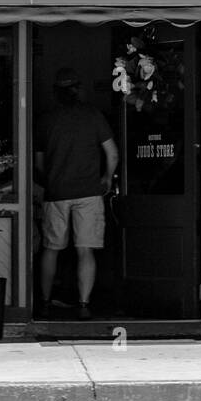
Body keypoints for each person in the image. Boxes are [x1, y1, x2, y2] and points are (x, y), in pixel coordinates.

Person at [34, 67, 119, 320]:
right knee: (85, 249)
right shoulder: (93, 116)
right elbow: (112, 153)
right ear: (79, 90)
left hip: (56, 192)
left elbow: (38, 164)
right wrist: (105, 177)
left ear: (55, 93)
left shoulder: (46, 120)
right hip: (88, 192)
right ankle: (84, 303)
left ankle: (45, 300)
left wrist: (50, 180)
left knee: (51, 249)